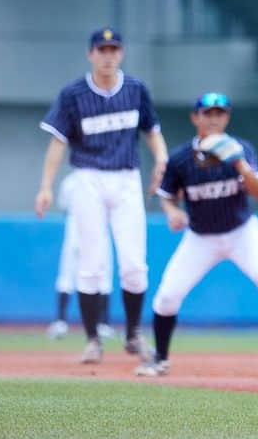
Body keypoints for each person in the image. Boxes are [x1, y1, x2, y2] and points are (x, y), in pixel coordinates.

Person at [135, 91, 258, 377]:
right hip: (201, 237)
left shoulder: (241, 148)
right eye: (208, 113)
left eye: (220, 113)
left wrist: (239, 163)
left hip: (241, 232)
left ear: (227, 117)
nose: (214, 119)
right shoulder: (180, 159)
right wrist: (172, 212)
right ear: (195, 117)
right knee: (167, 297)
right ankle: (160, 358)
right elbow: (167, 196)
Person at [34, 27, 168, 364]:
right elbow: (57, 142)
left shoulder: (136, 89)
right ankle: (93, 339)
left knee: (135, 264)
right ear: (90, 53)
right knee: (91, 264)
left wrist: (163, 161)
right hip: (89, 178)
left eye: (114, 49)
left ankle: (134, 334)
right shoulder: (74, 94)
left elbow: (153, 132)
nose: (108, 56)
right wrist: (46, 186)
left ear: (120, 53)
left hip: (126, 178)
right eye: (102, 49)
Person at [46, 173, 115, 340]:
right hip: (81, 230)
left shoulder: (71, 181)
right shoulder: (72, 181)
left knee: (101, 277)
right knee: (71, 275)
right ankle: (64, 322)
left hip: (92, 230)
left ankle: (99, 323)